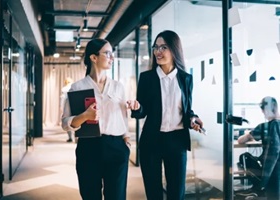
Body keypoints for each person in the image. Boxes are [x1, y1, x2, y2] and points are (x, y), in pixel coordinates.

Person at [127, 30, 204, 200]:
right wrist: (137, 107)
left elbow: (187, 110)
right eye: (156, 47)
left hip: (177, 141)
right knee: (153, 193)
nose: (158, 52)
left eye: (164, 47)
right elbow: (142, 111)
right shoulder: (147, 78)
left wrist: (193, 119)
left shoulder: (186, 79)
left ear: (175, 49)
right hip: (151, 141)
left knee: (176, 193)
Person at [61, 38, 130, 200]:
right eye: (107, 53)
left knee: (117, 197)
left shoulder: (118, 87)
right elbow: (65, 123)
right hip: (88, 147)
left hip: (116, 147)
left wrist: (126, 142)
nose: (111, 58)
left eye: (112, 54)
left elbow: (123, 118)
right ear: (94, 58)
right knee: (90, 195)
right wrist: (84, 116)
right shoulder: (78, 87)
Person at [237, 96, 280, 200]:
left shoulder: (265, 126)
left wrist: (248, 133)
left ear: (265, 110)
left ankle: (257, 189)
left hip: (272, 172)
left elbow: (240, 140)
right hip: (277, 170)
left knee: (244, 157)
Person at [60, 77, 74, 142]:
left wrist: (61, 107)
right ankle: (75, 138)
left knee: (68, 121)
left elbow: (62, 99)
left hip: (67, 106)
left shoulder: (64, 89)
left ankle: (70, 137)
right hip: (73, 106)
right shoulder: (74, 87)